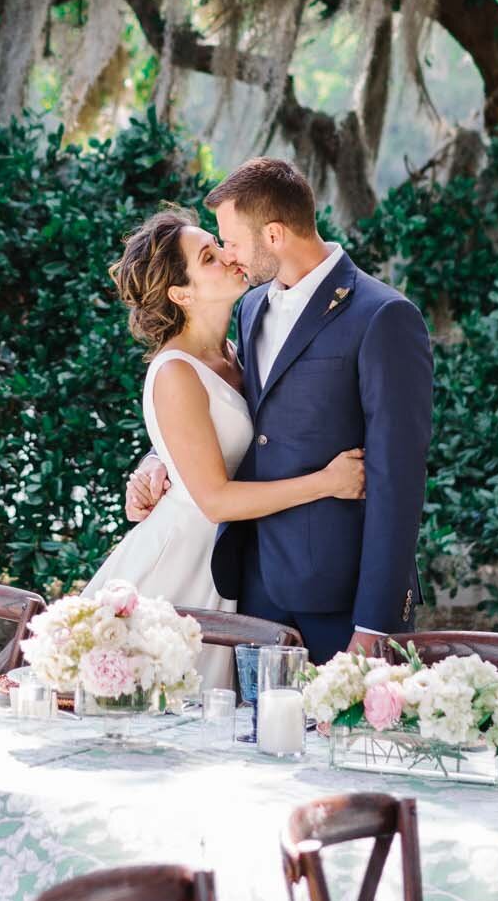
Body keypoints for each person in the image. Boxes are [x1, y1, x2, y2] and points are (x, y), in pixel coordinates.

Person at [125, 158, 431, 662]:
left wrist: (375, 623)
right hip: (248, 587)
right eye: (215, 248)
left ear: (273, 234)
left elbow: (399, 480)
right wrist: (159, 462)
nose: (228, 255)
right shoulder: (250, 310)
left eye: (231, 242)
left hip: (340, 598)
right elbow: (237, 420)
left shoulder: (383, 316)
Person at [84, 209, 366, 664]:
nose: (229, 257)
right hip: (185, 563)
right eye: (209, 258)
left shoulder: (241, 343)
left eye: (218, 244)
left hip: (239, 561)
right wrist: (328, 483)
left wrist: (155, 460)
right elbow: (214, 500)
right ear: (181, 293)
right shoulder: (176, 371)